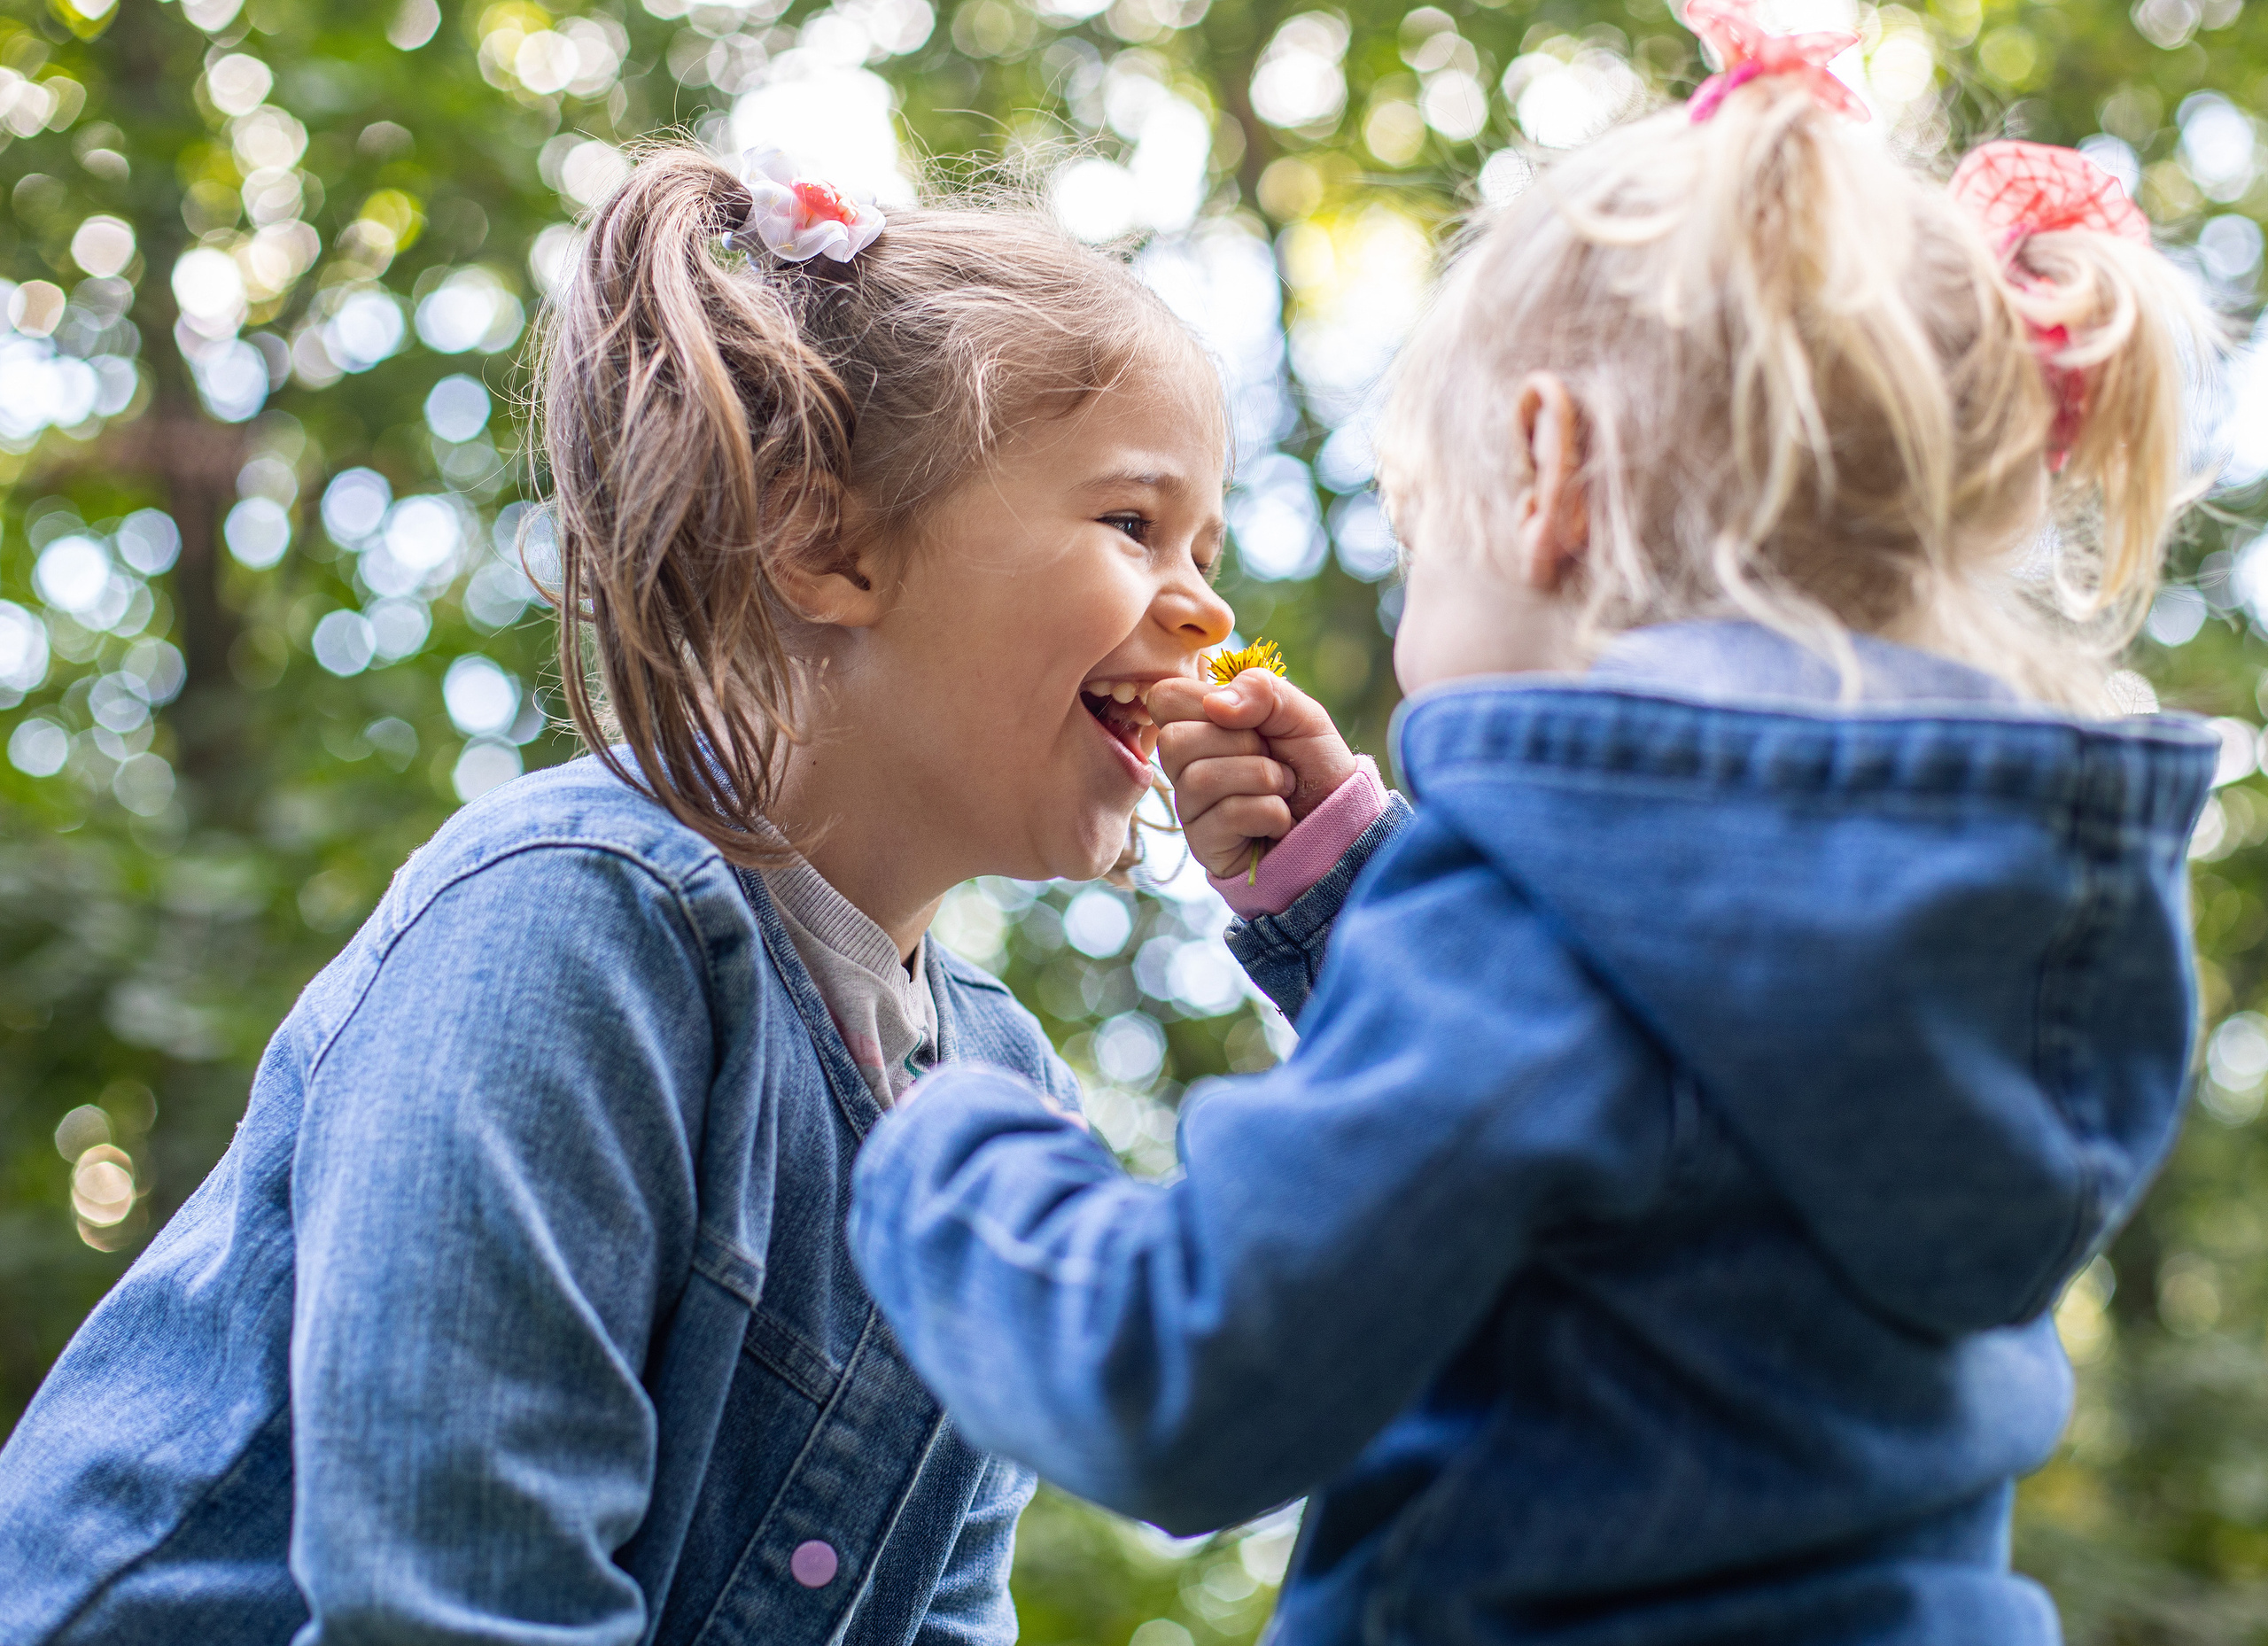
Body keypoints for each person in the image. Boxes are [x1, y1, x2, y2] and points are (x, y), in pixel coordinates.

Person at [844, 18, 2227, 1642]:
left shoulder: (1521, 959)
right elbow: (1647, 1143)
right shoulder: (1986, 951)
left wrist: (944, 1145)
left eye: (1421, 530)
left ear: (1550, 473)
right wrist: (1350, 881)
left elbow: (1185, 1376)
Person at [0, 144, 1240, 1644]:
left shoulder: (1005, 1101)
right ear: (826, 542)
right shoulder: (574, 921)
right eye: (1132, 523)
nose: (1207, 606)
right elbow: (449, 1603)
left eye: (1208, 547)